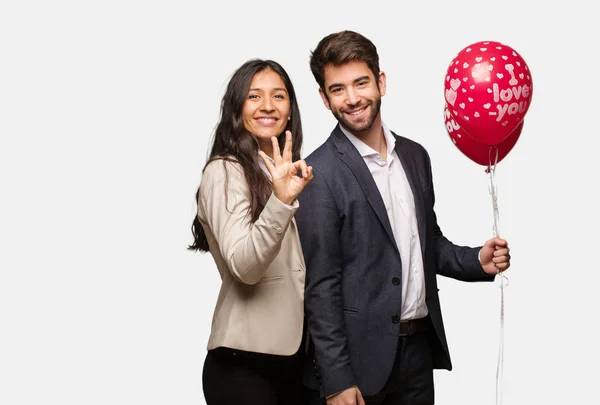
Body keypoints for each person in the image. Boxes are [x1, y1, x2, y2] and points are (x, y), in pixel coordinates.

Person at [295, 30, 512, 405]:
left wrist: (477, 259)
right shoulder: (319, 172)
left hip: (417, 354)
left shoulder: (415, 157)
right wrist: (336, 379)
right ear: (323, 98)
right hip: (357, 368)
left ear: (380, 82)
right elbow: (321, 287)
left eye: (361, 83)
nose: (352, 99)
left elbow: (428, 242)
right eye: (338, 89)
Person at [188, 59, 313, 405]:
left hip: (294, 364)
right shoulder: (224, 171)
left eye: (279, 96)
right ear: (236, 106)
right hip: (243, 366)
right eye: (254, 96)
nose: (268, 106)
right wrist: (280, 201)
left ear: (291, 109)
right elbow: (245, 266)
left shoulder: (285, 173)